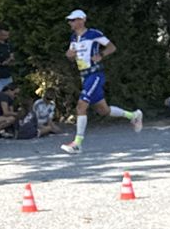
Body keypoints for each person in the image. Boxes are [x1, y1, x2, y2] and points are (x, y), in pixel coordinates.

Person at [61, 8, 143, 152]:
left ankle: (77, 143)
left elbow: (111, 47)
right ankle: (133, 115)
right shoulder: (73, 37)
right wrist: (69, 55)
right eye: (69, 20)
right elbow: (71, 56)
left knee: (81, 106)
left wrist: (101, 55)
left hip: (95, 74)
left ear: (82, 20)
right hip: (84, 75)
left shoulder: (93, 34)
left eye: (73, 20)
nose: (70, 23)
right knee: (103, 110)